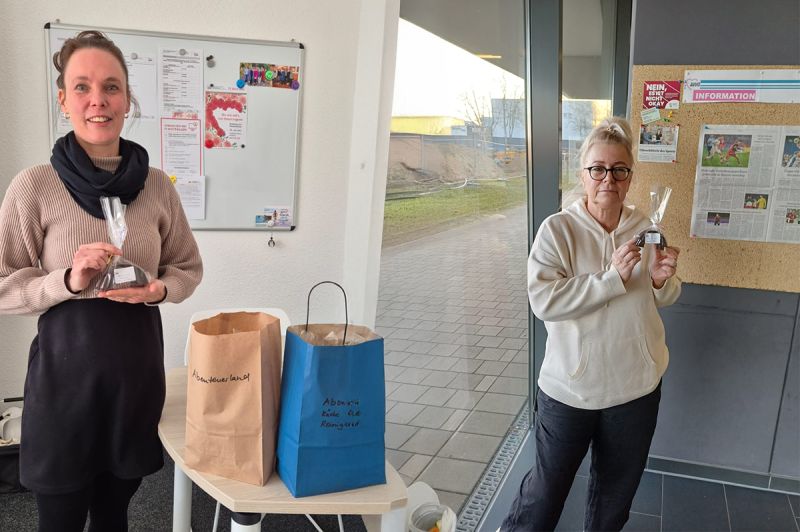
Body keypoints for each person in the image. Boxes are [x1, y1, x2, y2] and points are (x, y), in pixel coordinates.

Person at [0, 31, 202, 531]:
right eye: (83, 87)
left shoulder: (157, 186)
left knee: (115, 513)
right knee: (61, 517)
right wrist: (67, 280)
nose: (98, 100)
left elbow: (187, 267)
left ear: (127, 98)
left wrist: (159, 290)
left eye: (111, 87)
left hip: (135, 380)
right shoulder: (34, 185)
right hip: (64, 386)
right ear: (63, 99)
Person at [501, 117, 681, 532]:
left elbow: (663, 297)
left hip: (635, 389)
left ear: (630, 177)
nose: (608, 179)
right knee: (544, 494)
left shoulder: (646, 229)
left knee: (614, 500)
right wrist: (611, 278)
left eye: (619, 170)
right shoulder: (557, 230)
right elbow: (544, 300)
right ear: (582, 174)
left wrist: (661, 280)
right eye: (598, 169)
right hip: (569, 390)